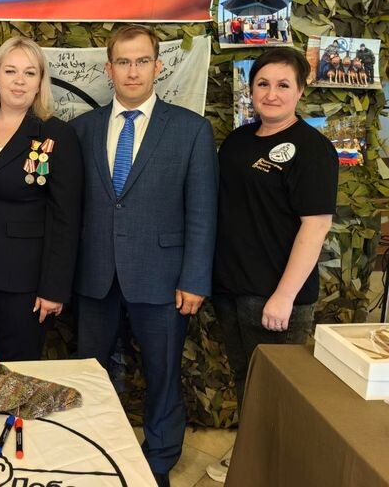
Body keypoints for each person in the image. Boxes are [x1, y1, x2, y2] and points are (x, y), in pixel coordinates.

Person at [71, 25, 217, 487]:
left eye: (141, 61)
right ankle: (94, 454)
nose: (132, 71)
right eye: (123, 62)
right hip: (95, 277)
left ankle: (158, 464)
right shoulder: (82, 130)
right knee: (91, 375)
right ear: (109, 68)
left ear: (158, 66)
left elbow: (202, 212)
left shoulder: (191, 130)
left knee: (162, 375)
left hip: (163, 278)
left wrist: (194, 279)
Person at [206, 48, 338, 483]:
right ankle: (251, 455)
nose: (272, 93)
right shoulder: (238, 141)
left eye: (283, 85)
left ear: (300, 90)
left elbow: (315, 226)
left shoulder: (313, 149)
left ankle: (279, 470)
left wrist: (283, 296)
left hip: (277, 296)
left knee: (280, 391)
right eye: (263, 84)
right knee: (246, 381)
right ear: (251, 89)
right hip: (231, 289)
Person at [0, 36, 83, 362]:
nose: (19, 81)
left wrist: (54, 288)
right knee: (1, 361)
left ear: (40, 82)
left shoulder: (56, 134)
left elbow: (66, 219)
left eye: (29, 72)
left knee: (21, 365)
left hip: (26, 278)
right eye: (10, 71)